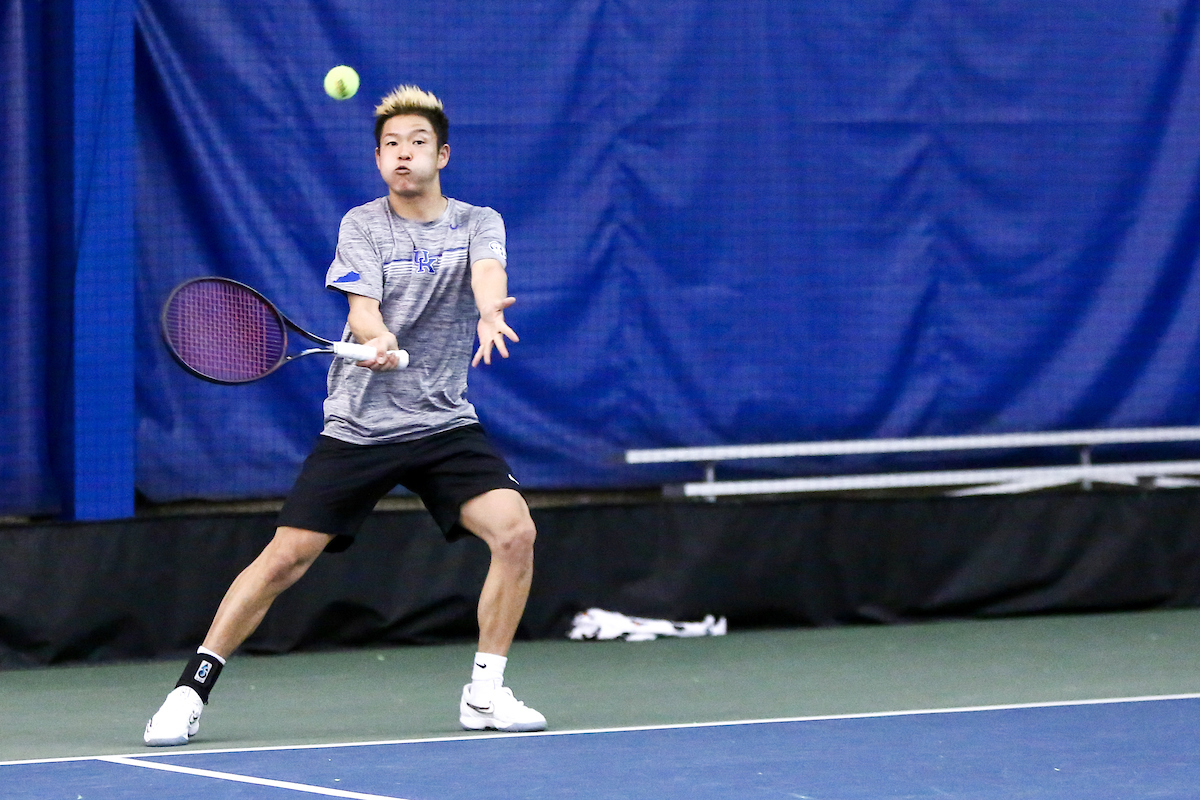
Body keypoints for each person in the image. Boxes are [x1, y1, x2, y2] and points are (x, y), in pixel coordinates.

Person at [143, 84, 546, 746]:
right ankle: (189, 691)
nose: (403, 155)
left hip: (444, 422)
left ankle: (485, 691)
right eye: (390, 145)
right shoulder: (363, 225)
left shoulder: (478, 221)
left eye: (417, 143)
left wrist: (491, 306)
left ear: (441, 154)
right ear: (378, 159)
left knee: (515, 533)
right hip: (360, 426)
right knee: (284, 560)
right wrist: (376, 334)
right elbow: (362, 308)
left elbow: (487, 273)